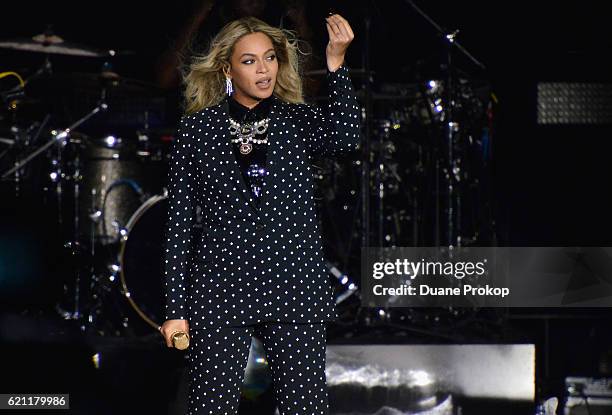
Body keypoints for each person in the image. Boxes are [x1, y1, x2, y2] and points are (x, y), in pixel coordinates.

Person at [159, 12, 359, 414]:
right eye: (250, 60)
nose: (264, 69)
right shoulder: (197, 130)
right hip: (220, 287)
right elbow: (179, 224)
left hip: (293, 284)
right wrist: (175, 311)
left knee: (305, 406)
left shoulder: (298, 119)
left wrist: (336, 64)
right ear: (227, 68)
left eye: (270, 58)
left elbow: (347, 137)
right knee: (210, 406)